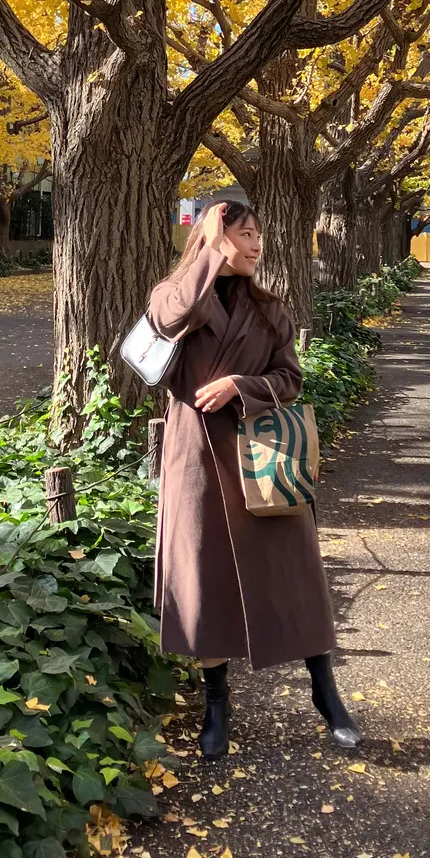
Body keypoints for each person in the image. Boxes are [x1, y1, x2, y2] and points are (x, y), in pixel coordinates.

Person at [148, 200, 360, 760]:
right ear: (217, 238)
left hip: (262, 452)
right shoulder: (173, 296)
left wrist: (242, 385)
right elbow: (170, 319)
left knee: (295, 571)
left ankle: (327, 694)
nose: (256, 245)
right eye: (244, 235)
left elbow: (289, 377)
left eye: (258, 237)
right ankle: (216, 703)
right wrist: (208, 254)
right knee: (204, 575)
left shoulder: (270, 309)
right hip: (195, 454)